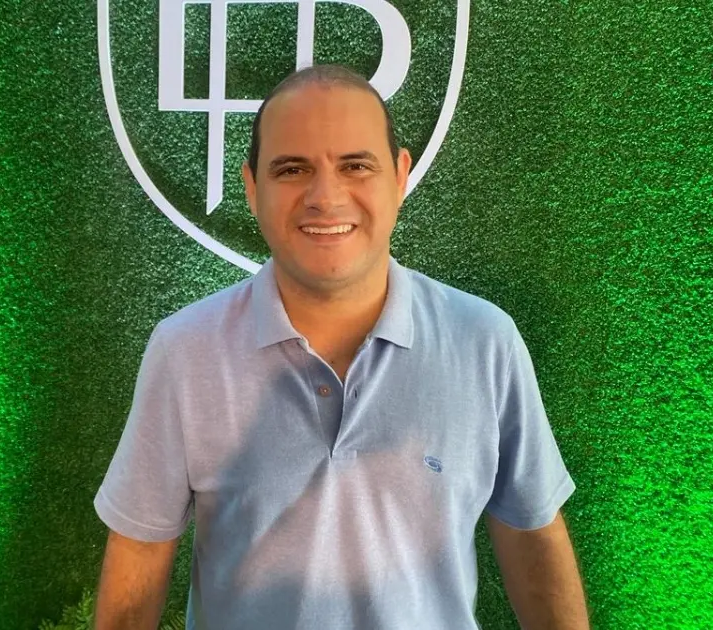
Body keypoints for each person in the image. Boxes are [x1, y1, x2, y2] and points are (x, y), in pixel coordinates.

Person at [92, 64, 589, 630]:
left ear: (399, 176)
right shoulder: (184, 351)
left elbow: (532, 533)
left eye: (355, 165)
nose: (325, 197)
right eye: (292, 169)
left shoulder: (485, 341)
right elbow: (139, 553)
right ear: (252, 188)